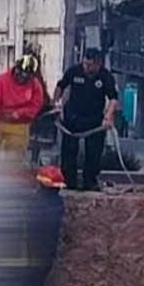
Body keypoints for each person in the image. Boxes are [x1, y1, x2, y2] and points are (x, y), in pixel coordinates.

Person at [55, 47, 119, 192]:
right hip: (73, 117)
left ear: (98, 64)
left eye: (89, 65)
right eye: (84, 64)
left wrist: (108, 117)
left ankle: (90, 182)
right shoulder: (74, 71)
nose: (86, 67)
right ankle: (68, 181)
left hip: (94, 120)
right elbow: (61, 86)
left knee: (94, 152)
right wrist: (57, 104)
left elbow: (113, 99)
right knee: (69, 151)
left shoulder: (105, 76)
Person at [0, 53, 49, 158]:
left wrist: (19, 113)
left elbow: (35, 106)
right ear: (16, 68)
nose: (22, 77)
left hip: (20, 125)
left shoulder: (35, 85)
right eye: (20, 73)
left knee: (14, 160)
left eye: (26, 75)